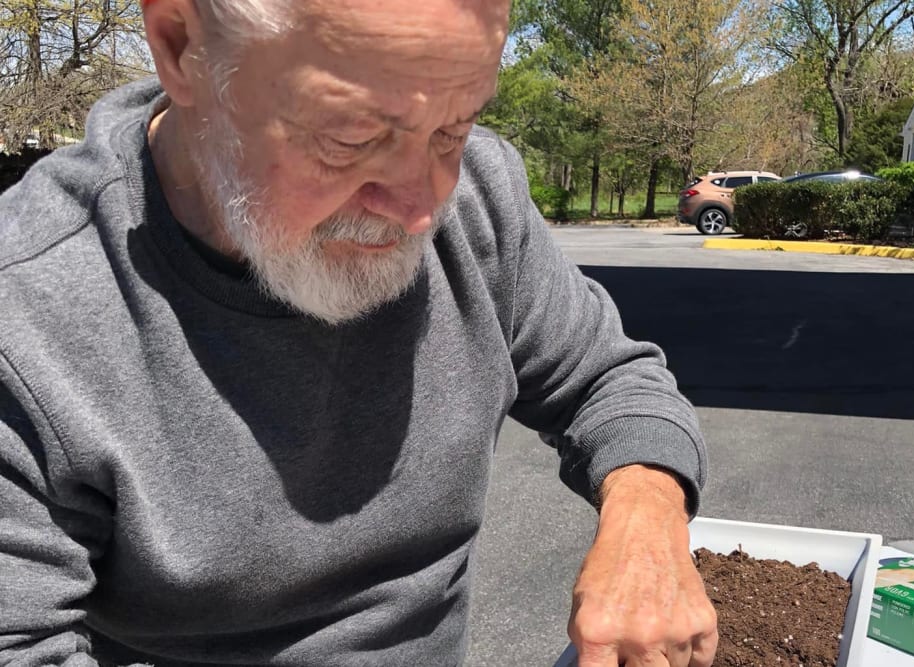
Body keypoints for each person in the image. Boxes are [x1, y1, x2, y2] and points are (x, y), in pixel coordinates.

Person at [0, 1, 718, 665]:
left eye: (453, 129)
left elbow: (607, 379)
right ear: (181, 46)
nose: (419, 208)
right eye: (352, 138)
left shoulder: (478, 197)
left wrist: (645, 513)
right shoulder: (31, 313)